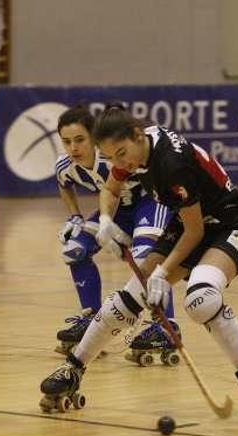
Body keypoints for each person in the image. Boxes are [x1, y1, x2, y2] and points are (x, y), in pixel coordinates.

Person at [39, 105, 238, 430]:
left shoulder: (171, 163)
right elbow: (111, 188)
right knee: (130, 298)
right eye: (111, 157)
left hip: (228, 225)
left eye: (120, 154)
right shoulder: (133, 151)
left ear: (136, 135)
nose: (119, 164)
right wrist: (104, 221)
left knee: (200, 299)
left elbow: (196, 232)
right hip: (187, 225)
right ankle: (73, 368)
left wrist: (161, 274)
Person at [52, 105, 178, 365]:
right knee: (74, 249)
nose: (73, 148)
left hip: (147, 204)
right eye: (66, 142)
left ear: (94, 138)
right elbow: (64, 186)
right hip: (114, 211)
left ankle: (166, 326)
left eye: (80, 140)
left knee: (147, 260)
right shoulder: (65, 166)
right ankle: (92, 317)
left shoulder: (111, 156)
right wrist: (75, 216)